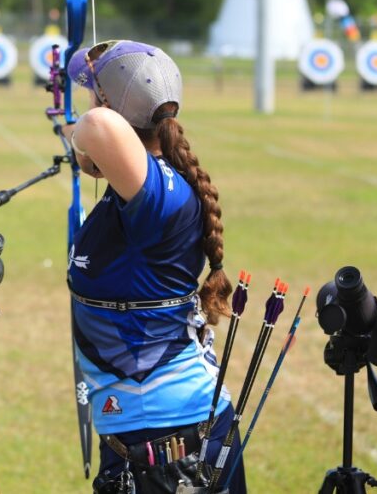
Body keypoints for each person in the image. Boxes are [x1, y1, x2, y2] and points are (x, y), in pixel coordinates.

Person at [63, 40, 246, 493]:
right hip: (150, 430)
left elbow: (98, 126)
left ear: (111, 106)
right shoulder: (147, 190)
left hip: (170, 437)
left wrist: (81, 141)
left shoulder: (161, 197)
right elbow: (103, 131)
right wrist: (86, 149)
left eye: (93, 95)